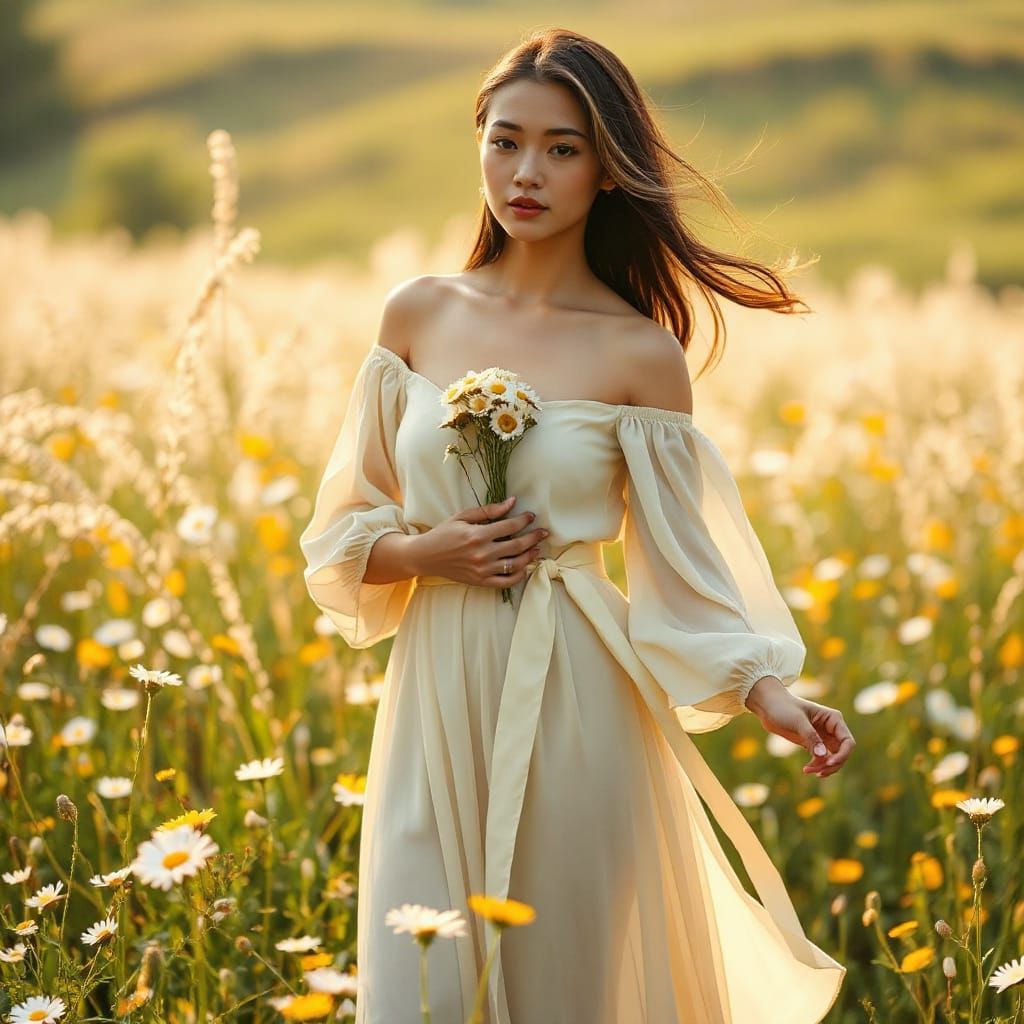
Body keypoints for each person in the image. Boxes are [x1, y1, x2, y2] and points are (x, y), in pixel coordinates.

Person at [300, 27, 854, 1024]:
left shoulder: (641, 355)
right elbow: (344, 527)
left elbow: (681, 569)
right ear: (477, 144)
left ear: (606, 171)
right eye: (506, 141)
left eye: (562, 148)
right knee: (416, 979)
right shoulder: (417, 314)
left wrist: (766, 690)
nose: (526, 172)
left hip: (578, 695)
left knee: (562, 975)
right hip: (435, 686)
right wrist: (430, 551)